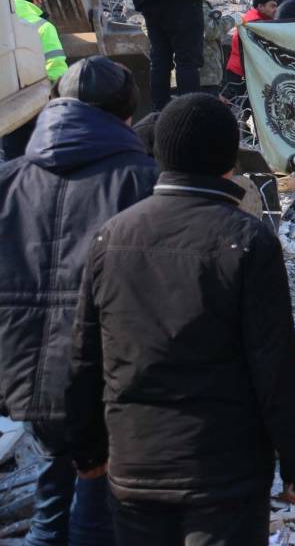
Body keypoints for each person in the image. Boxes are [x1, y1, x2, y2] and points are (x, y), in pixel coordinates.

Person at [67, 94, 295, 546]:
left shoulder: (112, 236)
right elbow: (276, 366)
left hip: (135, 464)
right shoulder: (247, 241)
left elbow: (86, 356)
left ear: (160, 155)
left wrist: (87, 448)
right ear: (228, 161)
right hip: (224, 474)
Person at [0, 56, 157, 546]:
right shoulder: (143, 180)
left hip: (25, 371)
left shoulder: (9, 179)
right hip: (110, 375)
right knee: (97, 509)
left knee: (55, 491)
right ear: (127, 113)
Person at [2, 0, 69, 159]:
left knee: (14, 161)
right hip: (39, 106)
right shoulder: (43, 26)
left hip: (8, 109)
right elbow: (57, 71)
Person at [224, 0, 277, 104]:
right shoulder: (256, 24)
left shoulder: (251, 18)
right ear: (261, 6)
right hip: (242, 74)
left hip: (237, 71)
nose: (275, 10)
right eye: (272, 6)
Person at [200, 0, 236, 95]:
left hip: (200, 74)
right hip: (205, 75)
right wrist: (232, 19)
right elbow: (211, 31)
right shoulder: (196, 3)